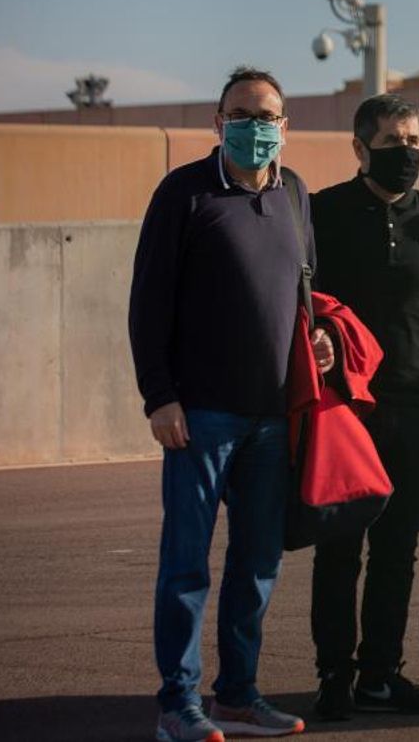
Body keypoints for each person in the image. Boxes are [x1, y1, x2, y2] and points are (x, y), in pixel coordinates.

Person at [130, 67, 322, 742]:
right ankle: (178, 703)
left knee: (257, 564)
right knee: (187, 565)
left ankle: (237, 696)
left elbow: (306, 292)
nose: (255, 127)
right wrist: (160, 397)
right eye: (242, 115)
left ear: (285, 126)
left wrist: (320, 343)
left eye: (267, 117)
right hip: (200, 417)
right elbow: (148, 302)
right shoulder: (183, 193)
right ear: (218, 123)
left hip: (272, 417)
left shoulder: (294, 193)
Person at [307, 94, 419, 719]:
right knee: (339, 546)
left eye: (414, 141)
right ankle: (334, 675)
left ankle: (380, 673)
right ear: (360, 148)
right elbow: (302, 301)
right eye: (392, 142)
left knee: (398, 547)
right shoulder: (323, 213)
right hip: (346, 410)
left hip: (416, 403)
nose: (406, 153)